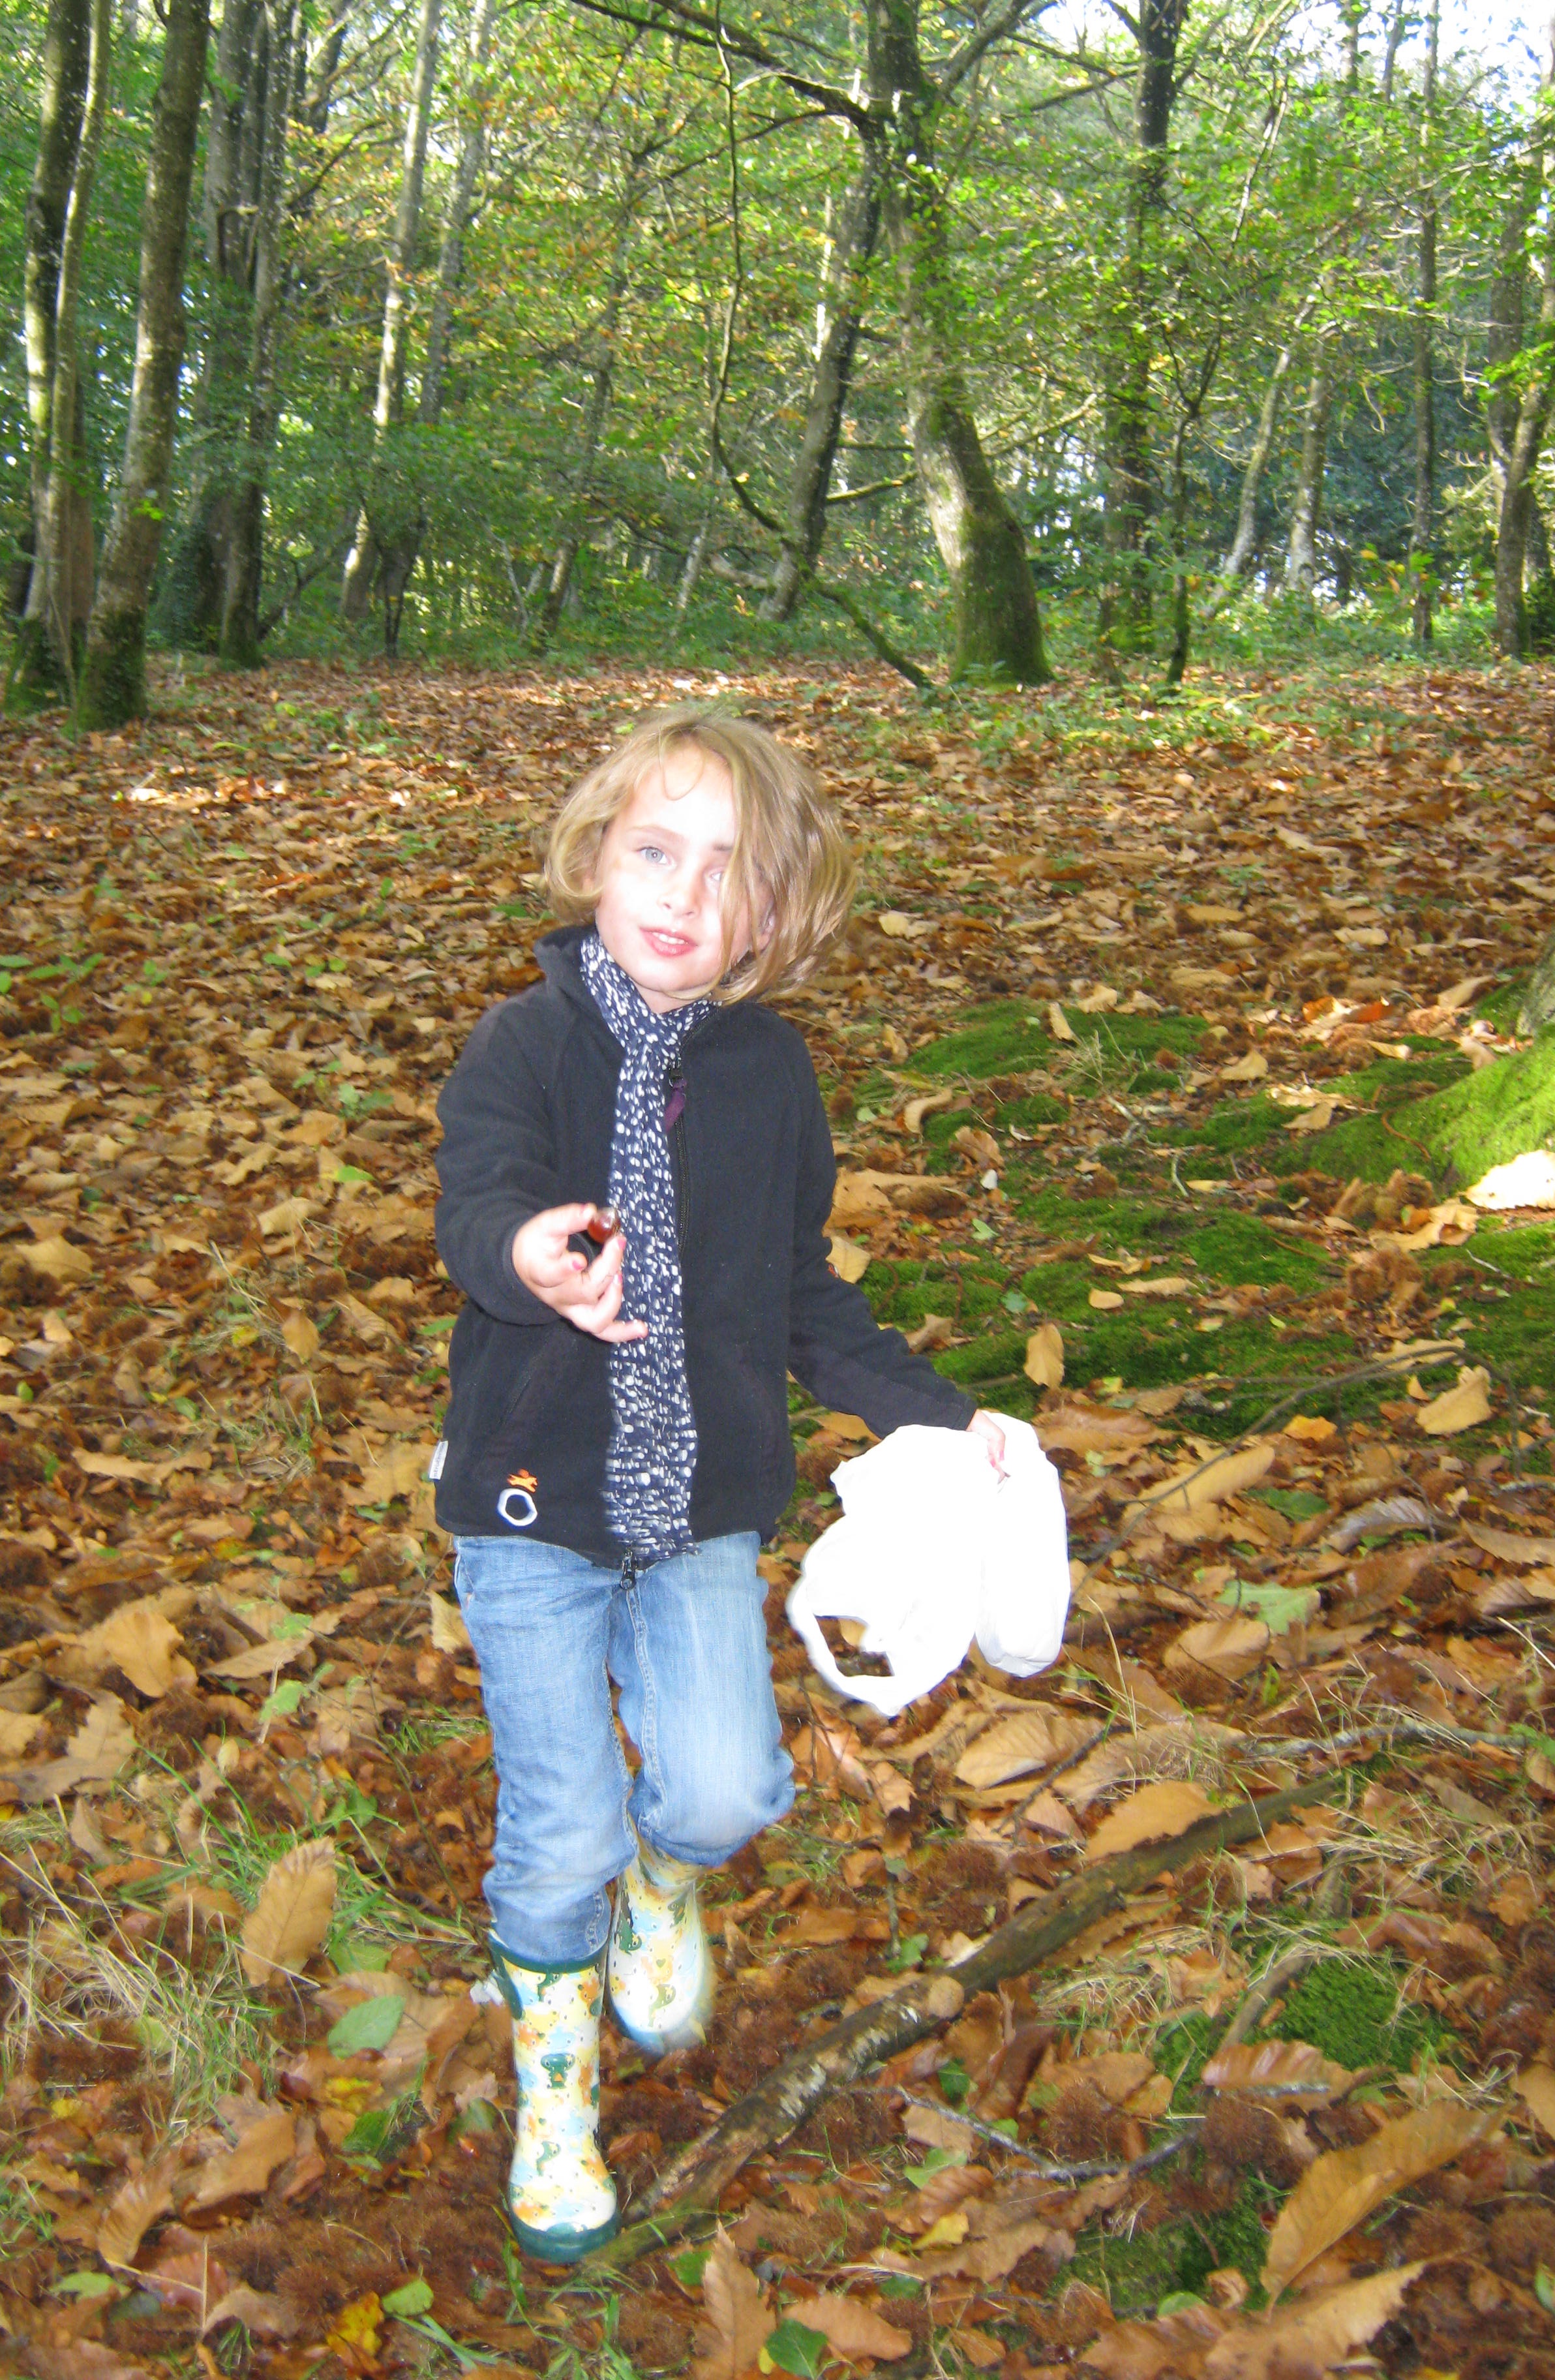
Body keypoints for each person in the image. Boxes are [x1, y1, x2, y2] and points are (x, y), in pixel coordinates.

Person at [432, 706, 1006, 2261]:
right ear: (596, 859)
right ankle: (557, 2097)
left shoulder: (771, 1075)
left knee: (724, 1790)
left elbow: (803, 1290)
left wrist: (941, 1417)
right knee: (560, 1829)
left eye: (727, 869)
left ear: (773, 914)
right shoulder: (524, 1043)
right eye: (654, 850)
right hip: (532, 1507)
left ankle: (661, 1890)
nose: (682, 892)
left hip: (697, 1509)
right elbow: (475, 1201)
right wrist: (527, 1255)